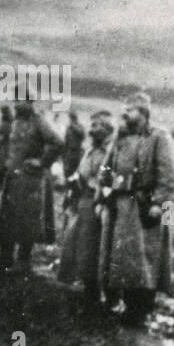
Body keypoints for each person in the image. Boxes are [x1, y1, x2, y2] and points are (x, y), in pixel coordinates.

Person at [97, 93, 174, 325]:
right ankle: (123, 304)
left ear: (144, 113)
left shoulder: (159, 137)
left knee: (145, 260)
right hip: (121, 205)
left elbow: (170, 175)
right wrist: (104, 194)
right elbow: (105, 169)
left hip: (145, 206)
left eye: (130, 110)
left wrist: (158, 203)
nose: (125, 114)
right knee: (121, 259)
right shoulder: (120, 137)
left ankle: (139, 311)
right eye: (124, 109)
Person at [0, 97, 61, 275]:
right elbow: (8, 146)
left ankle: (23, 261)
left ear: (30, 101)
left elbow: (58, 142)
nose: (16, 105)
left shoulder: (39, 121)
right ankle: (5, 259)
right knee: (6, 218)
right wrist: (2, 166)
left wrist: (42, 163)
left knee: (28, 220)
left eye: (20, 101)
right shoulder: (16, 121)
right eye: (14, 101)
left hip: (30, 180)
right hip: (12, 177)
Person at [57, 110, 114, 309]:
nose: (92, 130)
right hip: (84, 201)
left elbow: (108, 179)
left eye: (96, 125)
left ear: (107, 129)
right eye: (92, 125)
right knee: (78, 245)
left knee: (93, 250)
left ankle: (96, 295)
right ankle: (87, 290)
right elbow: (83, 171)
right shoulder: (92, 149)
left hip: (97, 203)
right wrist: (74, 184)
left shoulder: (110, 152)